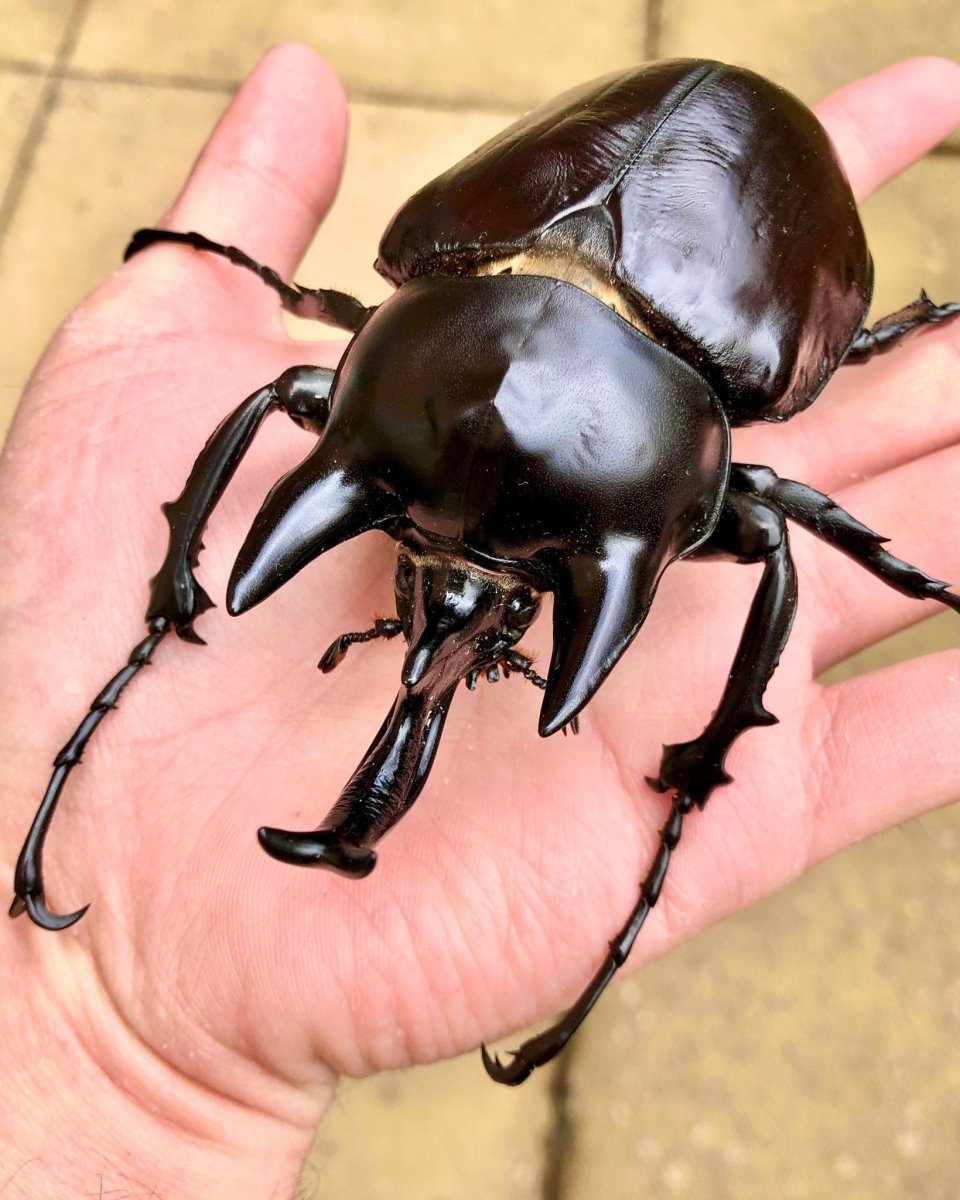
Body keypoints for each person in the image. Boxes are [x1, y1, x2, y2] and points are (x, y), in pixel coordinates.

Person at [0, 43, 957, 1197]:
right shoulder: (426, 311)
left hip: (658, 241)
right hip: (535, 267)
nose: (450, 604)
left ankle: (692, 769)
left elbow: (775, 553)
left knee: (784, 544)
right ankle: (178, 604)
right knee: (285, 400)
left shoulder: (609, 366)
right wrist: (86, 1059)